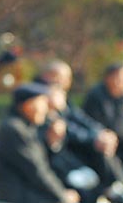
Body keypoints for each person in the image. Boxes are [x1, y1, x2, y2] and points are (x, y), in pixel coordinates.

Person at [37, 60, 123, 202]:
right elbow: (64, 128)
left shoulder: (61, 96)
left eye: (67, 78)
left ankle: (116, 187)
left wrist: (100, 133)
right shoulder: (39, 96)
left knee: (104, 145)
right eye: (60, 77)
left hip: (72, 151)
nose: (65, 82)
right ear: (47, 76)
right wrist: (94, 138)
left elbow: (79, 118)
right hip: (60, 156)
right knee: (89, 182)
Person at [0, 82, 80, 203]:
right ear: (27, 105)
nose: (46, 109)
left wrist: (52, 142)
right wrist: (62, 195)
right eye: (42, 103)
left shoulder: (27, 127)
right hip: (15, 197)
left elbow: (45, 164)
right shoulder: (13, 129)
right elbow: (37, 171)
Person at [84, 63, 123, 163]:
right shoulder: (96, 95)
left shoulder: (120, 96)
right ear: (108, 78)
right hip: (99, 138)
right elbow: (94, 122)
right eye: (118, 78)